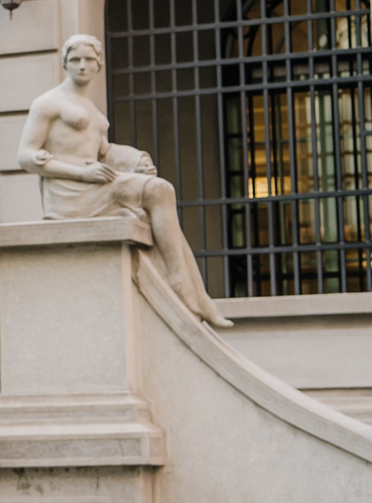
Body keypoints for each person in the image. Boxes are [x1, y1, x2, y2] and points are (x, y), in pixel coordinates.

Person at [16, 34, 233, 328]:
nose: (82, 66)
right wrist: (82, 173)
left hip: (97, 183)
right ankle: (182, 284)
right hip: (72, 194)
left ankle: (194, 290)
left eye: (89, 60)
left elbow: (105, 152)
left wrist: (137, 159)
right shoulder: (48, 103)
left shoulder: (91, 108)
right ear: (65, 62)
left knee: (160, 193)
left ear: (99, 64)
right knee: (159, 191)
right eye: (75, 60)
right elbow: (26, 156)